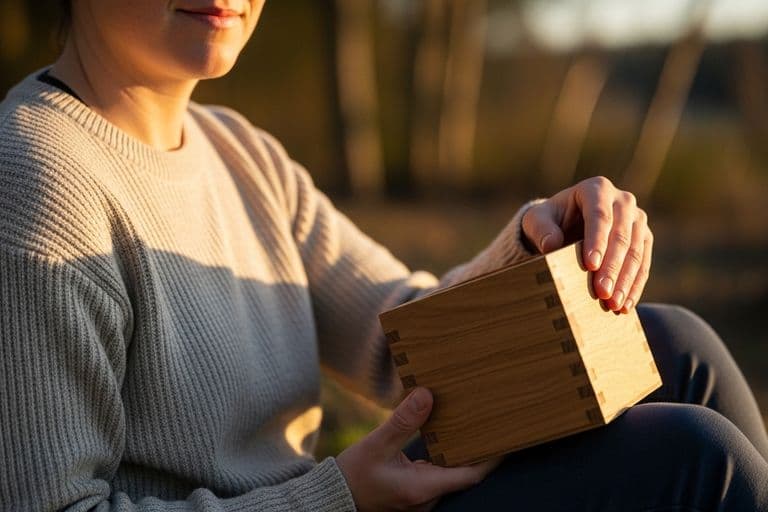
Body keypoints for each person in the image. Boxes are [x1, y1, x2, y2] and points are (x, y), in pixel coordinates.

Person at [0, 1, 765, 510]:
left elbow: (403, 340)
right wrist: (337, 496)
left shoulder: (238, 150)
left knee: (674, 346)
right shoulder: (38, 181)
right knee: (697, 461)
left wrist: (536, 242)